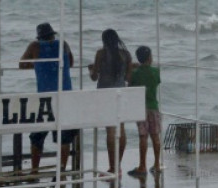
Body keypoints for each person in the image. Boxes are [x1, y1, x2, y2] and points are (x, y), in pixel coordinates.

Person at [19, 22, 77, 174]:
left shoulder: (34, 46)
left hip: (44, 98)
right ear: (52, 34)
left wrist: (37, 65)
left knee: (37, 136)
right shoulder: (63, 44)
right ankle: (62, 169)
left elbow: (22, 64)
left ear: (39, 37)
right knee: (64, 137)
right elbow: (70, 63)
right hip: (65, 95)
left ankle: (34, 170)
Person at [88, 29, 133, 177]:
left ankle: (112, 168)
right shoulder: (126, 55)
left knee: (110, 131)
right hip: (121, 94)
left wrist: (92, 70)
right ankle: (118, 166)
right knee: (121, 129)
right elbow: (128, 77)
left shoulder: (101, 54)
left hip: (105, 94)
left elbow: (94, 77)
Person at [128, 45, 162, 178]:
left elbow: (130, 84)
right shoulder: (156, 72)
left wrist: (133, 68)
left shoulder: (136, 73)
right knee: (155, 136)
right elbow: (157, 81)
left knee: (143, 137)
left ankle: (142, 165)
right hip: (153, 106)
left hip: (141, 108)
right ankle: (157, 164)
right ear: (150, 58)